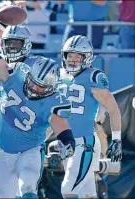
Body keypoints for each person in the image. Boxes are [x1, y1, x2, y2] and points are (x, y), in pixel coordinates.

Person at [0, 21, 76, 198]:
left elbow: (59, 120)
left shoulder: (43, 76)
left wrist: (66, 141)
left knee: (27, 187)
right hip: (3, 142)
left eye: (17, 43)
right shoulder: (8, 75)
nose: (12, 48)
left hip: (31, 144)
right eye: (8, 43)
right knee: (1, 191)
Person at [59, 35, 122, 198]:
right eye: (70, 55)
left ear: (86, 57)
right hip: (66, 143)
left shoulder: (94, 77)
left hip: (84, 143)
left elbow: (114, 110)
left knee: (68, 189)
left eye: (78, 56)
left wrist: (116, 140)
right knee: (88, 193)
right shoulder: (60, 77)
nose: (72, 60)